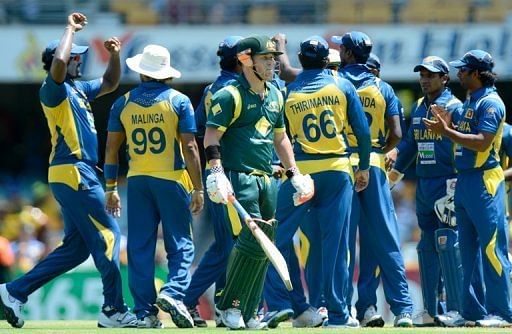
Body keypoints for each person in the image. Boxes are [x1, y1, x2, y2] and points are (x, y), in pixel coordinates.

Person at [0, 12, 137, 328]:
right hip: (74, 171)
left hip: (75, 173)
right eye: (76, 58)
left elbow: (110, 82)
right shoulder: (53, 88)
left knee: (76, 250)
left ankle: (14, 292)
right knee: (109, 235)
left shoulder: (79, 89)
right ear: (61, 59)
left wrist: (115, 55)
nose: (80, 62)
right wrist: (70, 32)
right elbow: (59, 66)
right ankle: (113, 309)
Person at [204, 34, 314, 330]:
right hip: (238, 177)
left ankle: (251, 310)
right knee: (252, 241)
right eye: (266, 58)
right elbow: (212, 135)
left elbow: (281, 138)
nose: (273, 63)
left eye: (273, 58)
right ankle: (230, 307)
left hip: (268, 179)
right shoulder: (230, 95)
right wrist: (216, 172)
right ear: (245, 60)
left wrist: (295, 173)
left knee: (267, 242)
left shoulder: (276, 94)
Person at [265, 35, 371, 329]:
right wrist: (363, 167)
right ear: (327, 61)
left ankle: (296, 306)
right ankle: (337, 315)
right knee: (335, 246)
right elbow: (362, 133)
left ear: (301, 60)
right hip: (337, 170)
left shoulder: (288, 91)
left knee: (276, 239)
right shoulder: (343, 84)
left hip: (300, 173)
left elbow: (278, 137)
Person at [104, 44, 204, 328]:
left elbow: (111, 149)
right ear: (166, 74)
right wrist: (198, 188)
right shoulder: (179, 101)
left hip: (136, 182)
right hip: (172, 179)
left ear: (142, 72)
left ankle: (144, 312)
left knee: (139, 247)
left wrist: (111, 188)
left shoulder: (121, 103)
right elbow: (190, 148)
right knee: (181, 244)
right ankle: (173, 292)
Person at [424, 49, 512, 327]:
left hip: (485, 181)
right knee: (468, 251)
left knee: (491, 249)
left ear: (476, 73)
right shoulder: (470, 100)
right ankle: (472, 311)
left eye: (463, 70)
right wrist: (447, 123)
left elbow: (482, 142)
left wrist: (446, 132)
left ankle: (503, 312)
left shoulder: (492, 103)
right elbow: (460, 135)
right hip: (464, 180)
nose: (458, 73)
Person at [331, 31, 414, 327]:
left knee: (342, 242)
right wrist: (380, 151)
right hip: (376, 165)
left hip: (341, 165)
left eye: (342, 48)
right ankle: (402, 309)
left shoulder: (335, 85)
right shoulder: (383, 87)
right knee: (385, 239)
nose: (339, 51)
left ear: (350, 54)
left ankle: (343, 311)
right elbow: (398, 134)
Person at [387, 56, 472, 326]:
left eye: (431, 75)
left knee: (448, 244)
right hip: (424, 185)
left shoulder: (455, 108)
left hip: (448, 182)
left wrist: (460, 181)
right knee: (426, 246)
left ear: (445, 78)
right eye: (422, 74)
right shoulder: (420, 107)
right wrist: (392, 177)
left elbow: (465, 147)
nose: (425, 79)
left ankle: (457, 309)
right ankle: (431, 309)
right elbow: (410, 145)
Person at [183, 35, 243, 327]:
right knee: (226, 246)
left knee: (226, 244)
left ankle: (220, 305)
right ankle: (185, 298)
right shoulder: (234, 89)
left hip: (214, 176)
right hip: (229, 175)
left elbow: (196, 130)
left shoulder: (210, 89)